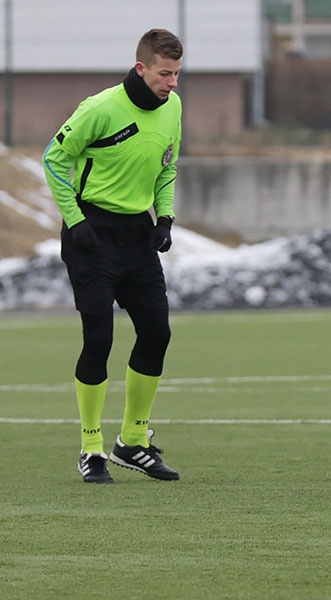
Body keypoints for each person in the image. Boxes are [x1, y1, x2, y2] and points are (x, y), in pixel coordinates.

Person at [43, 28, 184, 484]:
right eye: (165, 73)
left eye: (178, 74)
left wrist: (164, 218)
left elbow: (168, 166)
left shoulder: (174, 108)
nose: (173, 83)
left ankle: (132, 441)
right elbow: (52, 159)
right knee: (99, 338)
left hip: (137, 235)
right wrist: (75, 220)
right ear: (141, 69)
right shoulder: (99, 109)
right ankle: (91, 449)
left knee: (157, 333)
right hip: (92, 235)